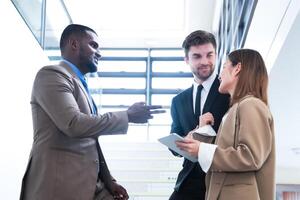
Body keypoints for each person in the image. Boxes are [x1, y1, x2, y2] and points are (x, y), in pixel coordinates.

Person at [20, 24, 164, 200]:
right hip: (59, 188)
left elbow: (91, 140)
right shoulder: (51, 75)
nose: (99, 53)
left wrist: (109, 180)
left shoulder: (81, 84)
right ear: (74, 44)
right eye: (93, 45)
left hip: (90, 186)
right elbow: (73, 124)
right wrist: (127, 115)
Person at [176, 49, 275, 200]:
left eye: (223, 66)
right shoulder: (235, 109)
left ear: (237, 68)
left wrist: (202, 150)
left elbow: (251, 156)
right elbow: (226, 152)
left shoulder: (251, 105)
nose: (219, 74)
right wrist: (203, 131)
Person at [169, 30, 229, 200]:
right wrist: (193, 133)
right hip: (188, 181)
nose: (205, 61)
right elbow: (174, 147)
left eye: (209, 55)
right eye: (197, 56)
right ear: (186, 60)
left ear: (216, 55)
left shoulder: (230, 92)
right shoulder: (178, 101)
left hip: (220, 179)